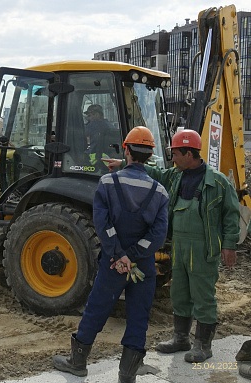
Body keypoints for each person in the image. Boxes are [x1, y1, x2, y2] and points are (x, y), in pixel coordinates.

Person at [104, 129, 240, 364]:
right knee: (180, 293)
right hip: (180, 245)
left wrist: (229, 246)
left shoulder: (217, 182)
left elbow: (231, 215)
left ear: (189, 153)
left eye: (176, 154)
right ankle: (181, 338)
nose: (173, 158)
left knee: (203, 296)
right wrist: (122, 164)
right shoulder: (177, 175)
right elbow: (157, 173)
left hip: (204, 248)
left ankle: (203, 345)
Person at [52, 126, 169, 383]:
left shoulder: (107, 182)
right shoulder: (160, 192)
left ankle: (78, 362)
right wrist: (135, 256)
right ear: (150, 155)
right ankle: (127, 374)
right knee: (138, 315)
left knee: (97, 308)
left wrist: (119, 256)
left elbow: (103, 224)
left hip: (115, 264)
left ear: (126, 150)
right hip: (142, 267)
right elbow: (158, 235)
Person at [84, 104, 116, 170]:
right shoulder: (109, 125)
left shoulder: (94, 125)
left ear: (97, 114)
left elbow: (82, 135)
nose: (88, 118)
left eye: (90, 115)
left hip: (95, 161)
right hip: (107, 161)